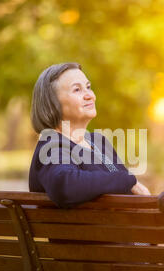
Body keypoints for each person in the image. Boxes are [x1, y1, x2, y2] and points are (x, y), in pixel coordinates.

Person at [28, 62, 150, 208]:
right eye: (77, 90)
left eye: (88, 87)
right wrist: (127, 180)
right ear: (52, 104)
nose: (89, 95)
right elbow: (65, 185)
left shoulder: (98, 142)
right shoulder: (51, 147)